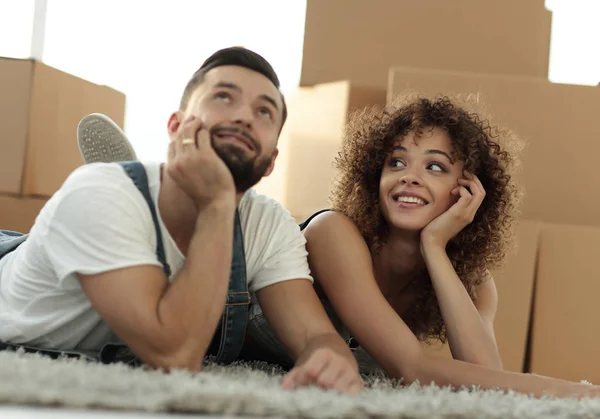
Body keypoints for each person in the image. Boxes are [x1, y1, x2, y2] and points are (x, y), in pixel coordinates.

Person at [0, 47, 362, 394]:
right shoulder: (98, 191)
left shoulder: (267, 222)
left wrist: (328, 358)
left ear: (271, 161)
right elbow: (175, 358)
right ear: (176, 126)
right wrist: (218, 203)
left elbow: (314, 335)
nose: (244, 116)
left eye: (264, 112)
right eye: (223, 97)